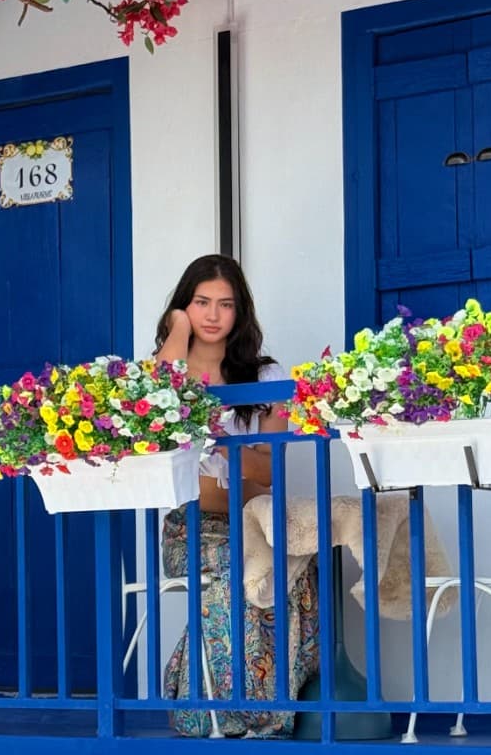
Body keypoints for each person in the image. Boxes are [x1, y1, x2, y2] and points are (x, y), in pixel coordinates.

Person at [154, 254, 319, 737]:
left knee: (295, 565)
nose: (211, 314)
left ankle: (261, 711)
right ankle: (215, 711)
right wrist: (176, 330)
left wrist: (219, 445)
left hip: (254, 520)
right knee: (240, 569)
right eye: (200, 303)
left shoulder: (265, 378)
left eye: (225, 304)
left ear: (239, 312)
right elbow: (157, 404)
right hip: (192, 529)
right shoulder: (166, 375)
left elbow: (269, 472)